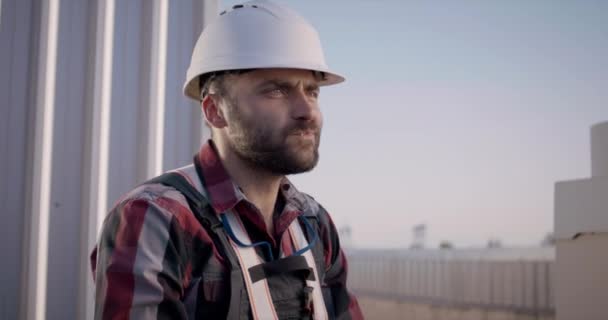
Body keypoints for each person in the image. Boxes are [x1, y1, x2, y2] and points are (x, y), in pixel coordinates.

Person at [91, 1, 363, 319]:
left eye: (312, 91)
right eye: (276, 91)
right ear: (215, 111)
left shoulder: (315, 225)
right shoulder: (157, 220)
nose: (307, 111)